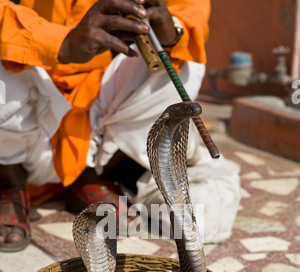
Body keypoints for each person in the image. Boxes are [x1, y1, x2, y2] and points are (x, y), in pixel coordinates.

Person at [0, 0, 240, 252]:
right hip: (26, 97)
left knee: (184, 58)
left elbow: (189, 11)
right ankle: (8, 181)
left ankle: (88, 174)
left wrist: (172, 29)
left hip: (98, 109)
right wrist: (61, 42)